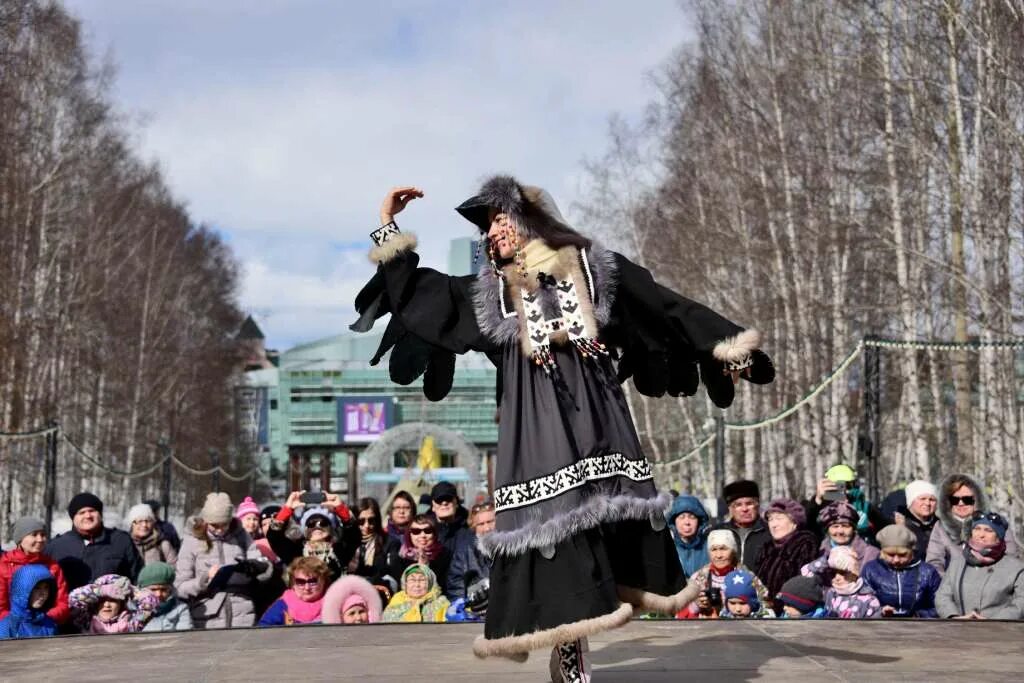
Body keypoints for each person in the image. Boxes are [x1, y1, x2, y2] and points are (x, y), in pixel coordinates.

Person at [351, 178, 774, 676]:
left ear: (533, 220)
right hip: (536, 429)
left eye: (500, 219)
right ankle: (570, 644)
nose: (493, 233)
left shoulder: (596, 275)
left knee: (607, 520)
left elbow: (665, 308)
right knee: (553, 524)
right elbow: (424, 298)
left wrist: (724, 344)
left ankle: (584, 631)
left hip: (600, 420)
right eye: (488, 228)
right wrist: (388, 226)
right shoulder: (491, 295)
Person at [175, 492, 273, 629]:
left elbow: (263, 566)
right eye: (214, 525)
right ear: (205, 521)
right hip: (206, 619)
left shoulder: (241, 536)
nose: (220, 530)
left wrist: (255, 568)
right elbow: (179, 587)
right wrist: (204, 579)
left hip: (243, 615)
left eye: (224, 525)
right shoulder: (191, 542)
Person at [926, 473, 1020, 576]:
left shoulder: (996, 522)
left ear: (977, 499)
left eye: (967, 500)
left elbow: (1011, 556)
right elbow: (934, 563)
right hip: (955, 586)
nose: (960, 504)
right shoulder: (940, 527)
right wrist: (948, 585)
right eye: (954, 500)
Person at [45, 492, 143, 590]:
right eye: (81, 512)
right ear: (73, 517)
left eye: (92, 511)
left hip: (112, 603)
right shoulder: (57, 546)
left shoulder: (121, 540)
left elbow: (137, 577)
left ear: (100, 514)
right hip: (69, 604)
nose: (88, 515)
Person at [936, 512, 1024, 619]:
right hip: (959, 630)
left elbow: (1020, 602)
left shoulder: (1016, 568)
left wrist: (995, 622)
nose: (981, 535)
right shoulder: (957, 564)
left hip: (1000, 631)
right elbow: (942, 596)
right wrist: (954, 617)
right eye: (977, 529)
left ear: (999, 537)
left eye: (989, 530)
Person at [267, 491, 360, 582]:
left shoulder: (340, 550)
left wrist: (340, 508)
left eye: (323, 523)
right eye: (311, 524)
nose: (317, 526)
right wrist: (287, 509)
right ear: (305, 530)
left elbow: (354, 536)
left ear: (331, 528)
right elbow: (275, 538)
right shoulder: (296, 552)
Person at [676, 529, 769, 619]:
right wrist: (696, 605)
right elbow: (678, 617)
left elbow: (767, 608)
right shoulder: (699, 578)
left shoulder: (747, 577)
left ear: (733, 551)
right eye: (714, 549)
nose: (718, 555)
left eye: (723, 549)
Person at [0, 517, 71, 626]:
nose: (40, 539)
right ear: (20, 539)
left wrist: (45, 619)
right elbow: (1, 607)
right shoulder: (4, 566)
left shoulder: (52, 566)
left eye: (43, 535)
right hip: (12, 633)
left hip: (46, 629)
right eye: (34, 535)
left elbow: (62, 603)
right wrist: (18, 625)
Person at [861, 524, 940, 618]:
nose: (896, 560)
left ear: (911, 552)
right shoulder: (871, 570)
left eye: (902, 555)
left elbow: (939, 607)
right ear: (882, 552)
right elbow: (862, 604)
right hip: (881, 626)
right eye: (891, 555)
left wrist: (918, 615)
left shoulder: (927, 572)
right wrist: (879, 611)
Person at [754, 498, 818, 609]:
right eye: (770, 519)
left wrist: (779, 605)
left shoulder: (805, 545)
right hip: (765, 613)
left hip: (792, 613)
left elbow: (805, 586)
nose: (774, 524)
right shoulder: (766, 549)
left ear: (794, 522)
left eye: (779, 518)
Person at [803, 464, 890, 545]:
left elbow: (886, 527)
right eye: (837, 485)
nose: (843, 490)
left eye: (848, 485)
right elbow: (804, 526)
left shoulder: (864, 506)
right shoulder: (819, 506)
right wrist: (817, 500)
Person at [801, 546, 881, 618]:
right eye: (833, 573)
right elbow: (805, 572)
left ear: (854, 573)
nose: (837, 577)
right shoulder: (829, 592)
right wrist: (827, 560)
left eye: (843, 573)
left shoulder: (869, 601)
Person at [68, 573, 158, 634]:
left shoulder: (132, 623)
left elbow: (151, 604)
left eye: (113, 600)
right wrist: (99, 590)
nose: (107, 605)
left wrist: (129, 589)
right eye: (102, 600)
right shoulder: (86, 621)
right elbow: (72, 599)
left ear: (121, 604)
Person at [349, 497, 403, 597]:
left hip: (379, 595)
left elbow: (394, 576)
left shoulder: (390, 542)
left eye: (371, 520)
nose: (367, 525)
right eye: (361, 521)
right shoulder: (348, 543)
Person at [712, 480, 770, 569]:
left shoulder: (769, 532)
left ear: (757, 505)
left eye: (749, 503)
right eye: (738, 505)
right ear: (730, 508)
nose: (744, 509)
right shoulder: (718, 532)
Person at [448, 500, 495, 604]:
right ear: (474, 528)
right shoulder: (463, 553)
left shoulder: (512, 548)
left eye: (491, 521)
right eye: (481, 524)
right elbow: (456, 589)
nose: (487, 528)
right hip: (477, 613)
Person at [258, 557, 330, 626]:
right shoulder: (283, 605)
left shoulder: (334, 603)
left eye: (313, 581)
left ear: (324, 582)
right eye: (300, 582)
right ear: (293, 584)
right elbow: (263, 630)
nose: (307, 588)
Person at [0, 565, 58, 639]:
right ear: (22, 590)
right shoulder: (7, 627)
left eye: (46, 588)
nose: (43, 593)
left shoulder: (49, 624)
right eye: (37, 588)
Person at [815, 501, 879, 567]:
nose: (840, 531)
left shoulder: (870, 554)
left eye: (845, 526)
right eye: (835, 526)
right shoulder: (818, 552)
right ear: (827, 530)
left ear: (854, 529)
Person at [398, 514, 453, 591]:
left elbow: (446, 585)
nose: (422, 535)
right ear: (409, 535)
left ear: (434, 534)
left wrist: (427, 567)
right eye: (416, 531)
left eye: (428, 531)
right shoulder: (401, 557)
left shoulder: (445, 555)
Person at [382, 564, 450, 623]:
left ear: (430, 583)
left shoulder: (441, 602)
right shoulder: (397, 600)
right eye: (412, 580)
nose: (417, 585)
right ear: (405, 583)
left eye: (422, 580)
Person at [138, 562, 192, 632]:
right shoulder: (132, 610)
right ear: (143, 590)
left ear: (170, 589)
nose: (158, 594)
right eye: (153, 589)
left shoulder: (180, 609)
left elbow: (184, 635)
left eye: (163, 589)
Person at [894, 480, 939, 563]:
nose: (927, 503)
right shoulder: (899, 524)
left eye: (932, 499)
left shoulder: (941, 526)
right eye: (922, 499)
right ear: (911, 501)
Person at [666, 495, 710, 578]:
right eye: (681, 517)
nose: (687, 522)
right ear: (674, 522)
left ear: (699, 522)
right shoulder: (665, 548)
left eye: (692, 517)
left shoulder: (710, 547)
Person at [426, 481, 472, 556]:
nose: (444, 503)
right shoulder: (422, 530)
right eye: (439, 500)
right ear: (433, 506)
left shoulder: (470, 527)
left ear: (456, 503)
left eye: (448, 499)